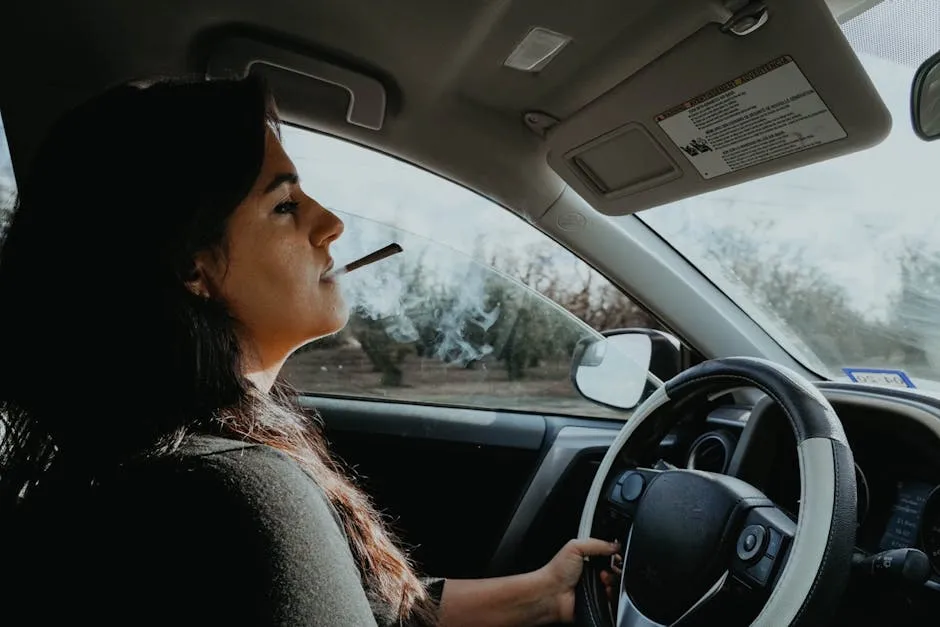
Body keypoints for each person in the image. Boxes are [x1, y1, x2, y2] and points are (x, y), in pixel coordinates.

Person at [0, 75, 620, 626]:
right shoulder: (230, 490)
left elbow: (369, 610)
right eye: (285, 205)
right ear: (194, 266)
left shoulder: (156, 456)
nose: (330, 225)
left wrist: (542, 596)